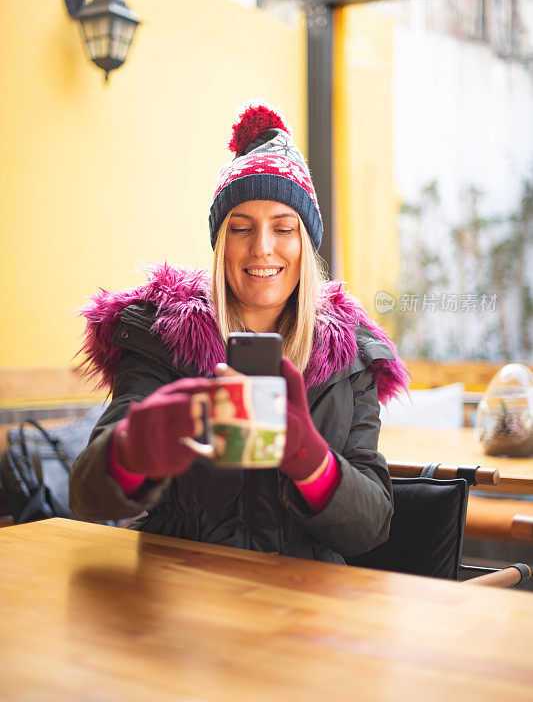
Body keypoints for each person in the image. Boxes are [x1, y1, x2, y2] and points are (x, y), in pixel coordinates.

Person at [69, 101, 409, 564]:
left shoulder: (350, 360)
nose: (262, 248)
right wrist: (132, 449)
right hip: (185, 601)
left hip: (307, 607)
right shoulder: (160, 340)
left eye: (284, 228)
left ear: (305, 245)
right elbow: (89, 496)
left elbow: (372, 526)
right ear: (220, 245)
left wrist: (308, 456)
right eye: (241, 228)